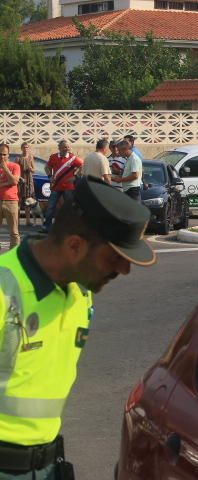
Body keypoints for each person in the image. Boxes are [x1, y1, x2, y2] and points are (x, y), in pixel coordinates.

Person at [0, 176, 156, 479]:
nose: (124, 270)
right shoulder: (4, 288)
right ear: (74, 245)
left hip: (48, 466)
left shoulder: (80, 296)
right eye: (115, 258)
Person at [41, 140, 83, 234]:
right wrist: (50, 176)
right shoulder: (54, 157)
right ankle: (46, 226)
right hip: (56, 186)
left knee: (70, 208)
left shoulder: (73, 158)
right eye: (64, 147)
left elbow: (83, 165)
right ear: (59, 148)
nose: (67, 149)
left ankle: (72, 227)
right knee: (50, 207)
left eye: (68, 147)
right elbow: (46, 167)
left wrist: (76, 176)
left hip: (69, 187)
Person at [0, 144, 20, 249]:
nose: (2, 157)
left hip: (11, 201)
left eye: (4, 154)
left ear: (8, 155)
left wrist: (5, 168)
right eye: (0, 154)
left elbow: (14, 181)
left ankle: (14, 255)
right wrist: (7, 183)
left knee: (14, 232)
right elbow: (10, 182)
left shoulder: (15, 166)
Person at [16, 143, 35, 226]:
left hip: (29, 181)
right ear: (21, 148)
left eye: (27, 147)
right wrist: (19, 178)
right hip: (20, 181)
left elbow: (34, 170)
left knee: (28, 201)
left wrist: (31, 169)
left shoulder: (31, 157)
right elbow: (15, 170)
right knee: (19, 201)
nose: (25, 149)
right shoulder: (18, 158)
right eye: (24, 147)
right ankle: (17, 222)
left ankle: (28, 221)